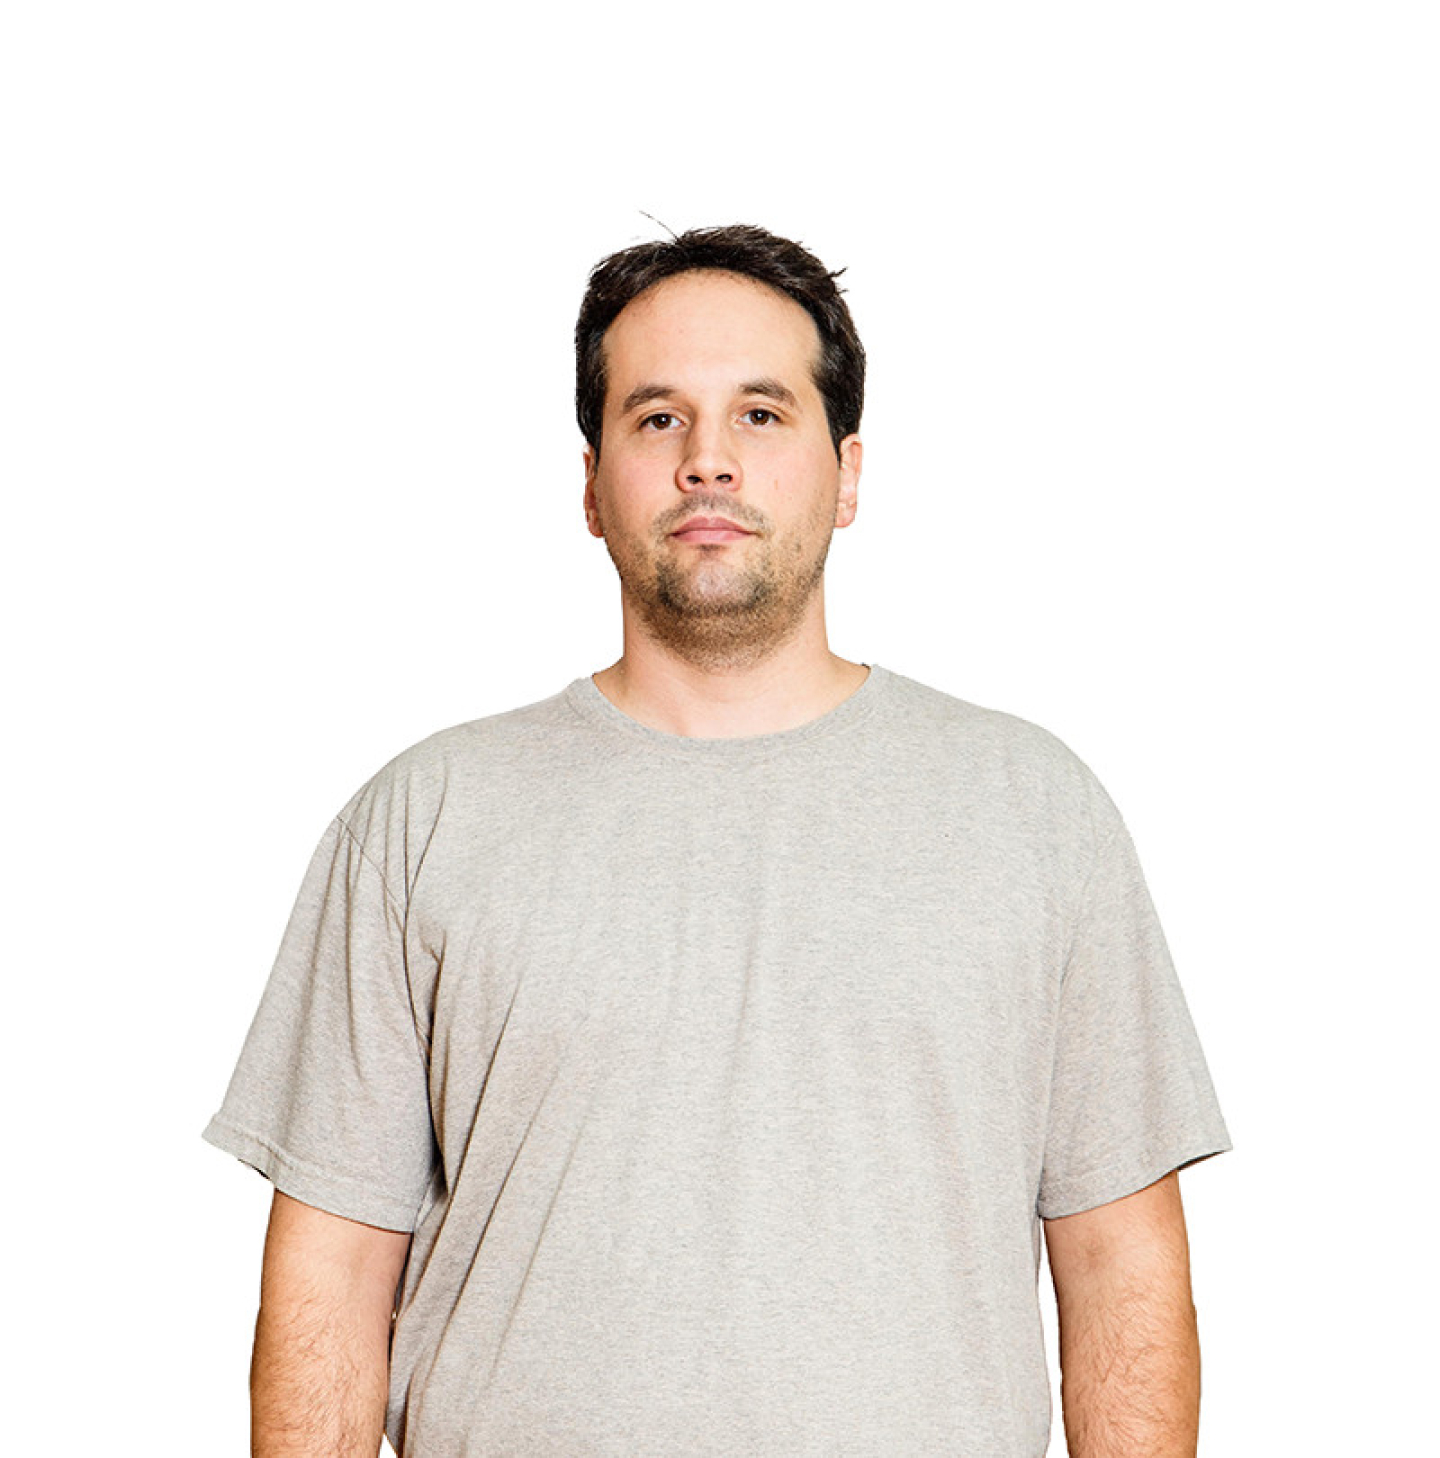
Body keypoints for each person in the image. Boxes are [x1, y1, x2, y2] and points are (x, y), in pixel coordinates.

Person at [206, 223, 1230, 1457]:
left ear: (847, 473)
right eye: (658, 419)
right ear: (592, 485)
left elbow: (1121, 1271)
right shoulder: (420, 823)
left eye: (760, 413)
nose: (707, 460)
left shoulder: (1036, 811)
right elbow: (328, 1282)